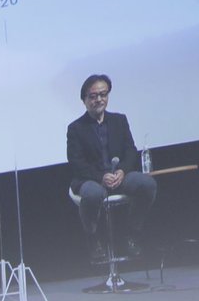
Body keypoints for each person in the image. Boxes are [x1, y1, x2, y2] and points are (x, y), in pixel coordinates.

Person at [67, 74, 157, 260]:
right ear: (84, 100)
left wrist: (122, 171)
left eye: (103, 94)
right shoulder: (75, 128)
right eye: (93, 96)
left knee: (147, 184)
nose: (99, 99)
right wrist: (101, 177)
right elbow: (76, 162)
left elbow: (130, 150)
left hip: (120, 177)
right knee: (92, 194)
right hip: (92, 179)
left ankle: (132, 232)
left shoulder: (119, 120)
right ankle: (93, 238)